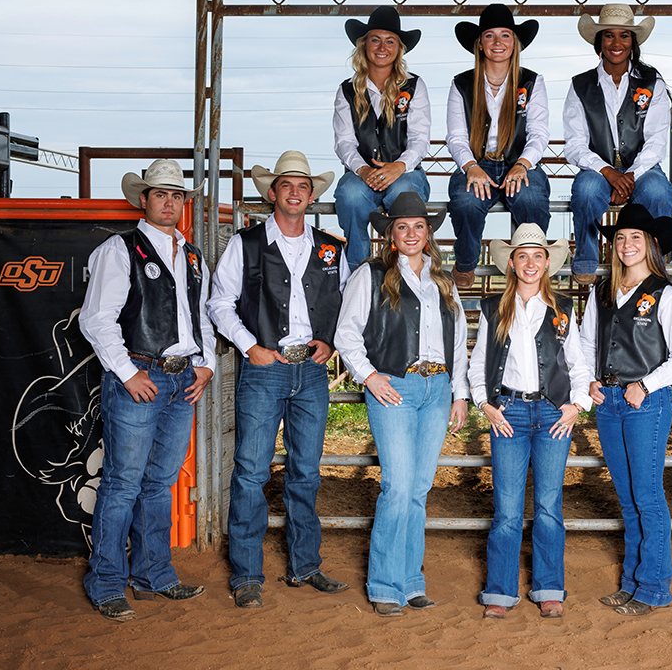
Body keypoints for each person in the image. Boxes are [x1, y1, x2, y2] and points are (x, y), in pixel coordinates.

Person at [207, 151, 348, 609]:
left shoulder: (332, 247)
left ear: (311, 196)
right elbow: (219, 303)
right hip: (264, 367)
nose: (293, 192)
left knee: (305, 472)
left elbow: (346, 302)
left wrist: (330, 340)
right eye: (285, 185)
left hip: (311, 369)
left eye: (302, 186)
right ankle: (247, 574)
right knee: (250, 471)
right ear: (272, 193)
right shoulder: (245, 243)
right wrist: (251, 347)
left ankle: (305, 564)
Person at [78, 158, 215, 622]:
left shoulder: (193, 255)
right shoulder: (120, 249)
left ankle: (152, 573)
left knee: (159, 483)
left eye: (177, 195)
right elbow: (96, 319)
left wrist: (206, 364)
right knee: (121, 483)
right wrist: (125, 371)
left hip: (182, 378)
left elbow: (204, 318)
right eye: (161, 194)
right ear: (144, 199)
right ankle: (107, 582)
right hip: (140, 373)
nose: (170, 202)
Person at [335, 191, 470, 617]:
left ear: (428, 233)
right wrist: (369, 376)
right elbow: (346, 334)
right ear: (391, 234)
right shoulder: (371, 274)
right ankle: (384, 584)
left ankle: (412, 581)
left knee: (419, 489)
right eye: (402, 226)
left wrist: (460, 393)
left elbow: (461, 339)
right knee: (397, 487)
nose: (411, 233)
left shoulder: (442, 280)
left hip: (437, 389)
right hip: (394, 386)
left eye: (418, 226)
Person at [468, 224, 591, 620]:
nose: (530, 262)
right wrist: (485, 405)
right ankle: (500, 591)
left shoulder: (563, 309)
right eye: (522, 255)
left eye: (538, 255)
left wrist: (578, 404)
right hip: (509, 414)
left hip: (554, 413)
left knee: (549, 504)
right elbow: (477, 364)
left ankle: (549, 586)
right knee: (506, 507)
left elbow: (578, 363)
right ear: (512, 263)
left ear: (548, 264)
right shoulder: (494, 309)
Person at [578, 204, 672, 615]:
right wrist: (588, 379)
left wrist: (645, 385)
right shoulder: (602, 291)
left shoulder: (666, 293)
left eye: (636, 238)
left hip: (646, 401)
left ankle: (654, 587)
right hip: (608, 401)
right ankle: (631, 581)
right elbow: (586, 344)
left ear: (650, 244)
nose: (627, 245)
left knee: (647, 495)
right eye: (621, 238)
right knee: (627, 498)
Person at [563, 3, 672, 285]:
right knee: (586, 190)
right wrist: (608, 172)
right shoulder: (581, 85)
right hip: (598, 168)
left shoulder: (652, 83)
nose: (617, 43)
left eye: (624, 35)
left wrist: (629, 175)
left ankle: (656, 262)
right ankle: (587, 258)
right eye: (609, 35)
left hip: (642, 166)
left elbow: (657, 140)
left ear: (633, 42)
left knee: (658, 190)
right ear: (599, 42)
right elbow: (575, 145)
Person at [446, 3, 551, 290]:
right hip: (477, 161)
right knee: (466, 201)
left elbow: (539, 133)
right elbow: (456, 136)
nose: (498, 42)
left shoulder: (531, 82)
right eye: (490, 36)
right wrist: (470, 167)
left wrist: (522, 164)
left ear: (515, 43)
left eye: (505, 35)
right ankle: (466, 262)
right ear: (479, 45)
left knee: (531, 199)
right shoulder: (462, 84)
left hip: (519, 161)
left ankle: (532, 268)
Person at [333, 5, 432, 270]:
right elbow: (344, 143)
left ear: (399, 48)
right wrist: (363, 170)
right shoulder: (347, 90)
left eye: (390, 41)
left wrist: (398, 166)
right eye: (375, 40)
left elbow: (419, 139)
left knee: (403, 192)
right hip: (361, 172)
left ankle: (406, 267)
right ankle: (358, 268)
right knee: (351, 195)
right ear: (364, 46)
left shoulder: (414, 86)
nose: (382, 47)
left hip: (406, 170)